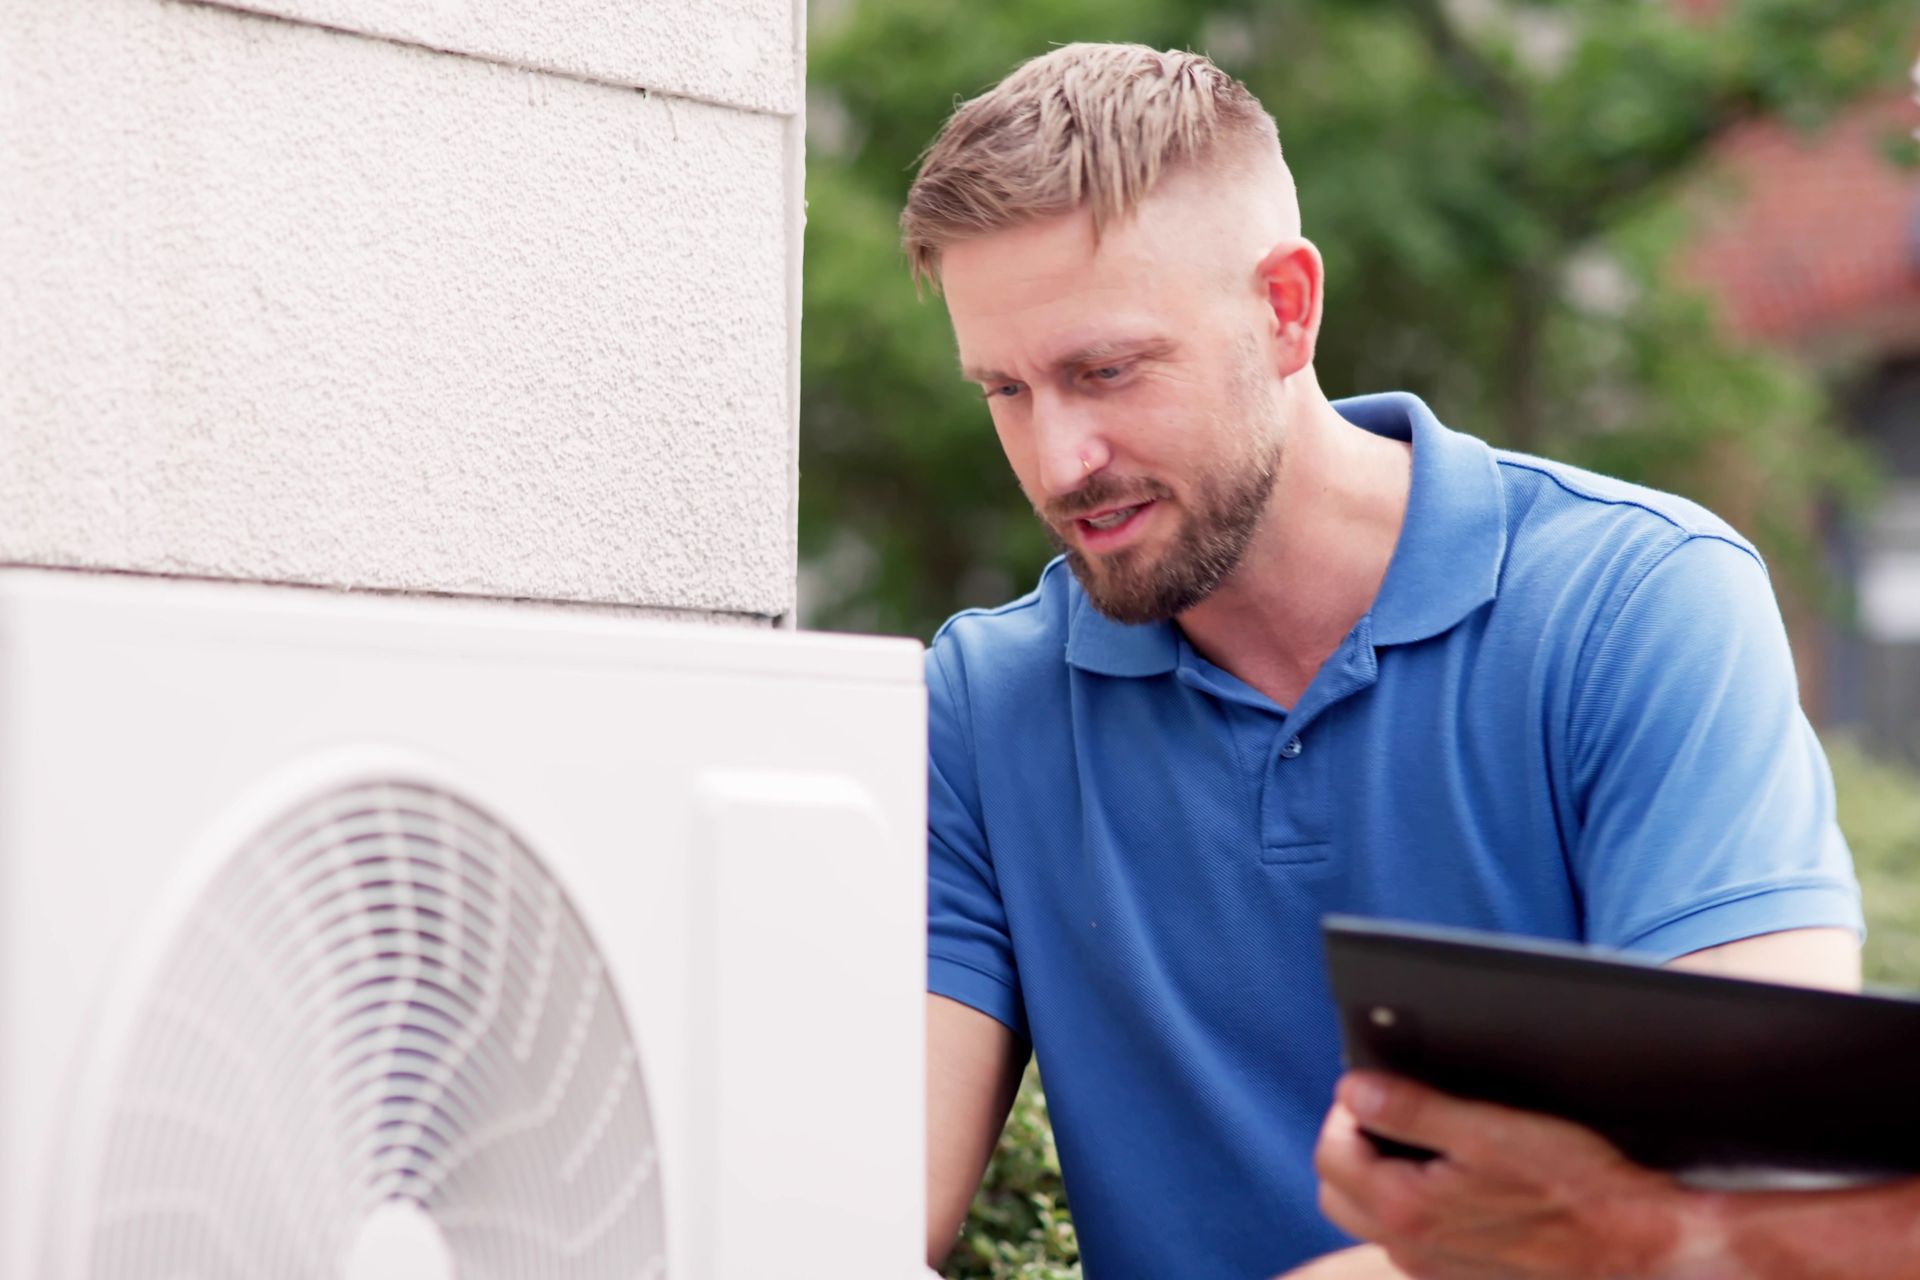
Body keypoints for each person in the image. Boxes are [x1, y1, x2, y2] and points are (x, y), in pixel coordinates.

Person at [903, 42, 1863, 1279]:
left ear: (1287, 309)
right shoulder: (987, 707)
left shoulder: (1635, 603)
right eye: (1007, 389)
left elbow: (1766, 1168)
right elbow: (851, 1207)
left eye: (1107, 370)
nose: (1059, 457)